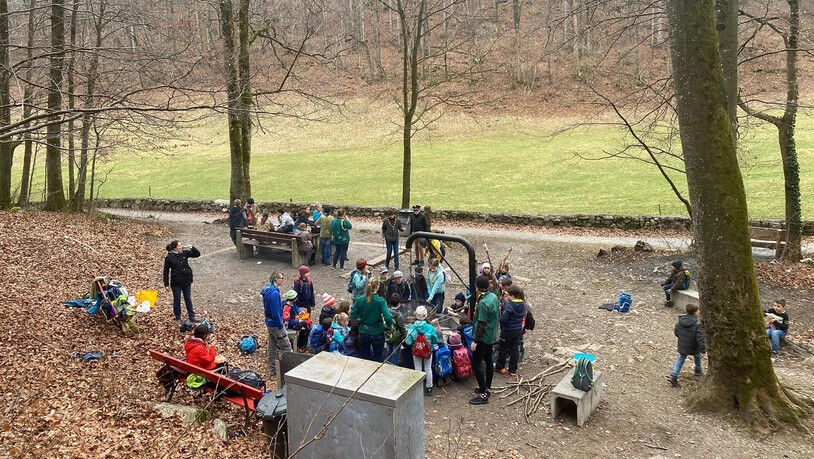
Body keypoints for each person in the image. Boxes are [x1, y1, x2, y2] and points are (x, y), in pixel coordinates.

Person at [470, 275, 499, 405]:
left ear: (477, 286)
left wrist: (475, 340)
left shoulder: (483, 303)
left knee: (476, 363)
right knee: (488, 360)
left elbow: (482, 324)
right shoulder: (493, 296)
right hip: (491, 335)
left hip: (483, 337)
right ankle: (487, 387)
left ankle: (483, 393)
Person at [350, 278, 393, 362]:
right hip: (377, 332)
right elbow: (388, 317)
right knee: (377, 358)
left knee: (363, 358)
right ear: (377, 287)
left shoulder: (359, 299)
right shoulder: (380, 301)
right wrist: (388, 326)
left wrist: (360, 321)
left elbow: (352, 315)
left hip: (363, 332)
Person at [668, 303, 706, 387]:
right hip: (694, 346)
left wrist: (682, 338)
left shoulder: (681, 321)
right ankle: (698, 371)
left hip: (683, 345)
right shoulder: (697, 324)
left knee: (681, 358)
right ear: (695, 312)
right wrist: (703, 350)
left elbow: (676, 331)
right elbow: (700, 338)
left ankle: (674, 374)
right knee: (697, 356)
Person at [163, 240, 201, 322]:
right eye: (179, 246)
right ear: (174, 248)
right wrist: (166, 284)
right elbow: (165, 271)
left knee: (188, 299)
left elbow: (197, 254)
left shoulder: (184, 253)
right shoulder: (169, 257)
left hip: (186, 280)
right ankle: (178, 317)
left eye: (181, 245)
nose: (181, 247)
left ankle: (192, 316)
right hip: (176, 282)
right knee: (177, 300)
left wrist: (192, 247)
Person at [404, 305, 439, 396]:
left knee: (417, 368)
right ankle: (429, 387)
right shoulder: (430, 328)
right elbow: (435, 339)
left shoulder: (412, 327)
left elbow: (407, 341)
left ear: (416, 315)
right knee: (428, 368)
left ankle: (418, 387)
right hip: (427, 350)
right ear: (425, 316)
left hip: (416, 351)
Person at [262, 272, 292, 376]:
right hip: (275, 324)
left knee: (272, 346)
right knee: (287, 347)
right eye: (281, 278)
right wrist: (280, 324)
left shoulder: (267, 290)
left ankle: (272, 369)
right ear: (276, 279)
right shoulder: (274, 294)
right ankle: (290, 370)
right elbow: (275, 312)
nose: (283, 280)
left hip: (269, 323)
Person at [495, 285, 527, 377]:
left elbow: (504, 319)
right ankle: (512, 369)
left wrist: (499, 318)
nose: (506, 296)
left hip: (508, 330)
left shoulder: (510, 305)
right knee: (514, 348)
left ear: (513, 296)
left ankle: (500, 367)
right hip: (517, 330)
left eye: (508, 295)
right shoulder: (522, 304)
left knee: (503, 348)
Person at [386, 293, 407, 365]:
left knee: (388, 351)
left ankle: (386, 365)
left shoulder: (386, 311)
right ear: (399, 304)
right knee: (395, 354)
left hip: (387, 336)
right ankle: (394, 367)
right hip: (396, 339)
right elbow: (402, 328)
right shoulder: (399, 315)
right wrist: (405, 337)